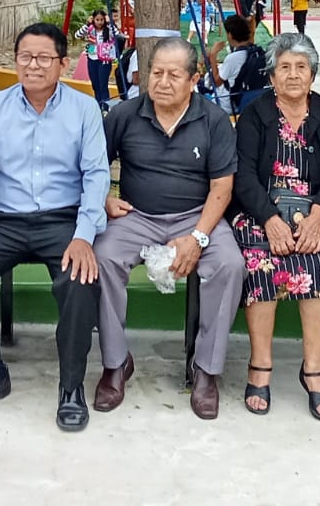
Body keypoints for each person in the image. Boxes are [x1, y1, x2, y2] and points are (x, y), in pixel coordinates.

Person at [0, 23, 109, 432]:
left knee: (80, 280)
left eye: (43, 58)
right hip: (5, 219)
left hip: (63, 218)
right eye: (25, 57)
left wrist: (83, 236)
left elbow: (96, 175)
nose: (33, 65)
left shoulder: (84, 108)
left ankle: (71, 386)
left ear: (63, 64)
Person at [95, 38, 244, 420]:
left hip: (197, 215)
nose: (162, 82)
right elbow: (92, 166)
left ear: (193, 79)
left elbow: (222, 188)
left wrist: (197, 237)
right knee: (103, 258)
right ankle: (115, 363)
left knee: (229, 265)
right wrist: (104, 199)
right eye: (156, 73)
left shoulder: (213, 119)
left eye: (173, 75)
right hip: (137, 216)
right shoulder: (124, 115)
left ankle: (206, 369)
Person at [232, 32, 320, 420]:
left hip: (313, 214)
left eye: (301, 67)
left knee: (318, 262)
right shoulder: (254, 114)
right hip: (261, 212)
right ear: (272, 76)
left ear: (313, 74)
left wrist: (319, 217)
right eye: (284, 67)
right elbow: (243, 175)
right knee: (259, 261)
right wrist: (269, 220)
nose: (294, 74)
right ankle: (260, 367)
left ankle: (314, 371)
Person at [208, 14, 270, 116]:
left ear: (230, 35)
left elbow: (216, 82)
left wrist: (213, 55)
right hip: (250, 97)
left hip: (229, 103)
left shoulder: (233, 58)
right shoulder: (257, 52)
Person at [75, 9, 121, 114]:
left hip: (104, 61)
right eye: (97, 20)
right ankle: (98, 106)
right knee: (95, 85)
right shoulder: (90, 29)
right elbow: (77, 35)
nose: (99, 22)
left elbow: (117, 34)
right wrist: (87, 24)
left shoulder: (108, 30)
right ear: (93, 20)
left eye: (101, 20)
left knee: (103, 85)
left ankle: (105, 108)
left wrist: (109, 23)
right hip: (92, 59)